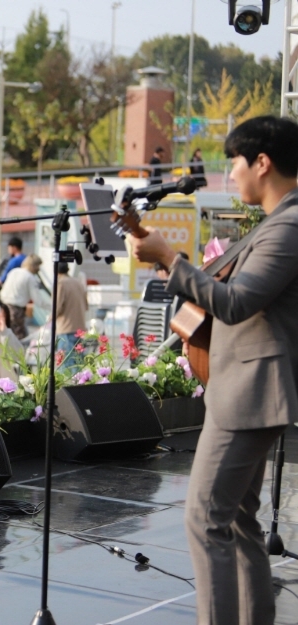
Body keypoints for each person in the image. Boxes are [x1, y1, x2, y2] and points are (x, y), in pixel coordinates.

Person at [129, 115, 298, 625]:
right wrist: (167, 261)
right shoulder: (278, 221)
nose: (230, 174)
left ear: (262, 163)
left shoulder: (289, 225)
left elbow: (237, 302)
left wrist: (171, 259)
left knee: (205, 520)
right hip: (246, 388)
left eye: (235, 163)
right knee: (238, 522)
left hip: (250, 392)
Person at [0, 254, 43, 341]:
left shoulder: (14, 271)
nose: (39, 269)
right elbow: (38, 300)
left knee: (5, 336)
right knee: (19, 338)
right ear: (34, 266)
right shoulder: (30, 277)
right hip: (16, 310)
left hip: (3, 306)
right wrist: (53, 307)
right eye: (38, 266)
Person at [54, 263, 88, 369]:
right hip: (80, 327)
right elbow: (86, 305)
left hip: (66, 328)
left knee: (66, 363)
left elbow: (57, 308)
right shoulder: (78, 283)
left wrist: (49, 319)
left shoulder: (61, 283)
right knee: (78, 362)